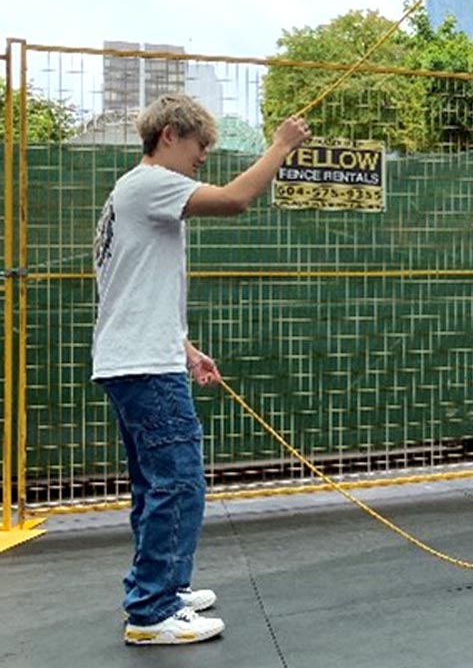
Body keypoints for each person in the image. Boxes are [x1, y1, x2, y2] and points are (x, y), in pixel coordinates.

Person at [93, 94, 310, 645]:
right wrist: (281, 145)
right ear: (169, 134)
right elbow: (237, 200)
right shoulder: (150, 184)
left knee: (154, 486)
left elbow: (132, 288)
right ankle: (151, 611)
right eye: (199, 146)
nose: (202, 158)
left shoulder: (128, 193)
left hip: (134, 359)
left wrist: (185, 348)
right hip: (144, 366)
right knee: (179, 484)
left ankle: (161, 588)